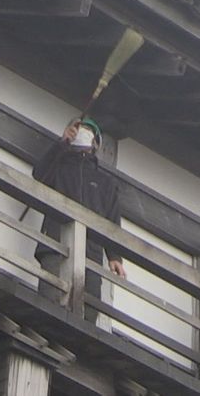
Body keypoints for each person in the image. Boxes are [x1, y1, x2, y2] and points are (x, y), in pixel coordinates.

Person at [32, 117, 125, 319]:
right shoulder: (59, 168)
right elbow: (39, 176)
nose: (82, 132)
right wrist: (62, 143)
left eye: (88, 130)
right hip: (55, 245)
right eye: (78, 128)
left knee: (87, 312)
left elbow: (112, 222)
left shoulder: (106, 183)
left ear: (96, 143)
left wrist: (115, 257)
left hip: (90, 255)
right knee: (49, 302)